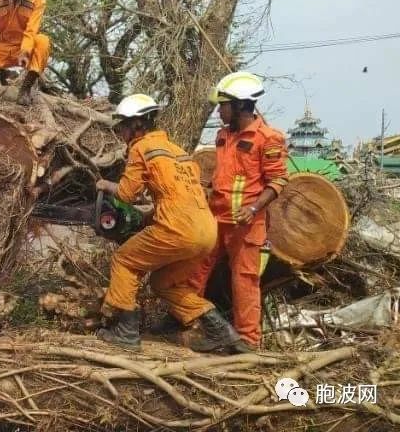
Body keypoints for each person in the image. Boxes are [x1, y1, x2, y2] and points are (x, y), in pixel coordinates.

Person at [94, 94, 246, 354]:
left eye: (122, 126)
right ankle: (220, 330)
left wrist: (104, 184)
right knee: (164, 283)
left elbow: (127, 194)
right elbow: (181, 195)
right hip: (207, 231)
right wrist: (150, 215)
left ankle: (126, 332)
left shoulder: (142, 148)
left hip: (177, 228)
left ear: (137, 124)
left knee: (124, 260)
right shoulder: (178, 152)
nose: (120, 133)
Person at [188, 72, 289, 350]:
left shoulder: (268, 139)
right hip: (215, 219)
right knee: (194, 271)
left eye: (224, 105)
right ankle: (185, 321)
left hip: (246, 224)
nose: (219, 111)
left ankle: (247, 340)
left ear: (242, 106)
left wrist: (254, 207)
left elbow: (279, 180)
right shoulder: (223, 136)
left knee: (244, 280)